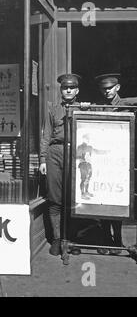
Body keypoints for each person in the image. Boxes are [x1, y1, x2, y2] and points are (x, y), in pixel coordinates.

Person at [39, 73, 89, 256]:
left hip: (76, 155)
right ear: (61, 90)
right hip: (55, 154)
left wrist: (86, 111)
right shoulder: (53, 109)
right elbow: (46, 136)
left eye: (71, 88)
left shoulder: (84, 109)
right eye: (64, 88)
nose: (68, 90)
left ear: (77, 90)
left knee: (73, 199)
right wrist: (43, 159)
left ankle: (72, 239)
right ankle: (57, 239)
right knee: (55, 199)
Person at [94, 73, 137, 255]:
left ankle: (117, 240)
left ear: (117, 88)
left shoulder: (127, 106)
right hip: (103, 160)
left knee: (118, 201)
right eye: (104, 89)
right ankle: (106, 239)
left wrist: (123, 103)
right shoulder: (100, 108)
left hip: (120, 159)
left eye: (110, 88)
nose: (107, 92)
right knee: (104, 200)